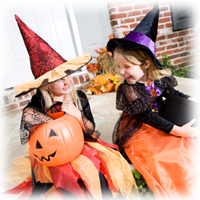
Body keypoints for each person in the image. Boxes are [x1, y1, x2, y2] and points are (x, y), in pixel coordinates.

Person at [0, 15, 139, 200]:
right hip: (54, 153)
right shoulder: (41, 100)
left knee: (95, 169)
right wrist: (57, 123)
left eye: (67, 74)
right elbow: (27, 116)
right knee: (64, 177)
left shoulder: (78, 97)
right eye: (58, 79)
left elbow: (90, 130)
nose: (66, 81)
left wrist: (75, 114)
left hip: (81, 144)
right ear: (46, 85)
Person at [107, 0, 200, 199]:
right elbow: (148, 117)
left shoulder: (158, 79)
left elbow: (173, 95)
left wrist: (191, 99)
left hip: (164, 119)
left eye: (127, 66)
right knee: (165, 154)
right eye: (118, 67)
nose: (121, 72)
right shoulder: (129, 89)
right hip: (141, 128)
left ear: (146, 63)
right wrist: (179, 131)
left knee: (192, 140)